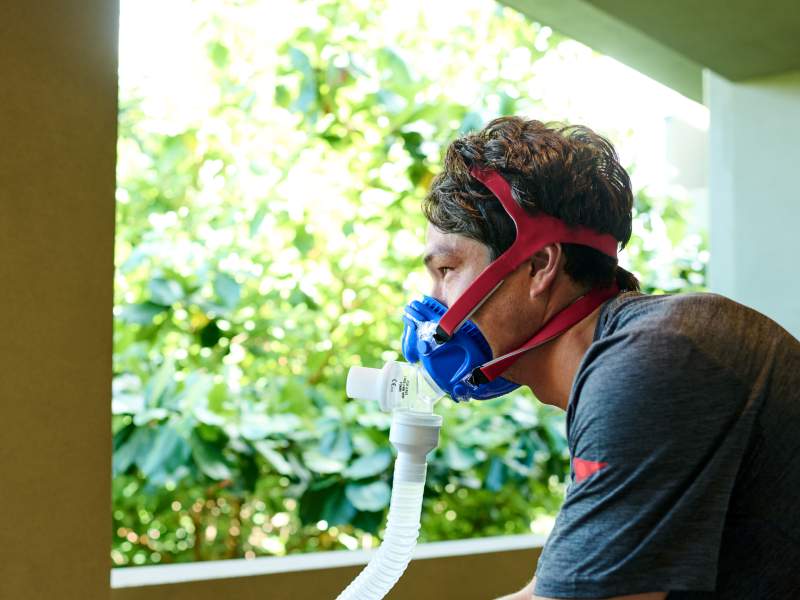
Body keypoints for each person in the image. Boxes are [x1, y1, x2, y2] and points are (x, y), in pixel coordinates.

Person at [418, 116, 800, 599]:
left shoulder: (654, 360)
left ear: (538, 266)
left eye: (447, 269)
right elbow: (552, 592)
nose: (433, 304)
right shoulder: (639, 354)